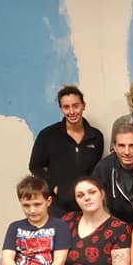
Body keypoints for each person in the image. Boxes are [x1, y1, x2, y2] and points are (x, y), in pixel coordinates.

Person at [29, 85, 104, 215]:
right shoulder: (47, 135)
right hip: (57, 207)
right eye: (66, 107)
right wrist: (54, 187)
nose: (72, 111)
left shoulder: (96, 136)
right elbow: (35, 167)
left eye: (75, 106)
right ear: (61, 109)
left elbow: (96, 170)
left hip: (87, 205)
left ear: (83, 105)